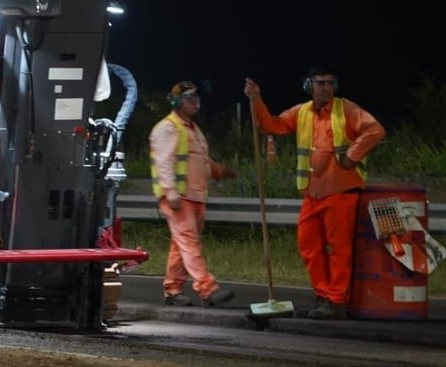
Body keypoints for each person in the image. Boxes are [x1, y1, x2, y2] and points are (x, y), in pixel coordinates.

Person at [244, 67, 385, 320]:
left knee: (340, 249)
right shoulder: (302, 112)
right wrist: (256, 98)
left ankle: (336, 300)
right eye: (321, 83)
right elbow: (271, 125)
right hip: (313, 193)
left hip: (341, 191)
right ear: (309, 85)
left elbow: (375, 130)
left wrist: (352, 156)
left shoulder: (346, 109)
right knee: (308, 245)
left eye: (331, 83)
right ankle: (323, 295)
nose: (326, 88)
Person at [149, 80, 238, 307]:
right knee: (190, 242)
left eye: (196, 98)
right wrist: (171, 193)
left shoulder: (193, 129)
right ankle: (207, 289)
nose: (195, 102)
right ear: (177, 101)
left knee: (181, 245)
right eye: (189, 98)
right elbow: (164, 163)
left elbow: (200, 161)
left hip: (195, 196)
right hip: (179, 198)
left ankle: (173, 289)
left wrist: (220, 172)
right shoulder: (167, 128)